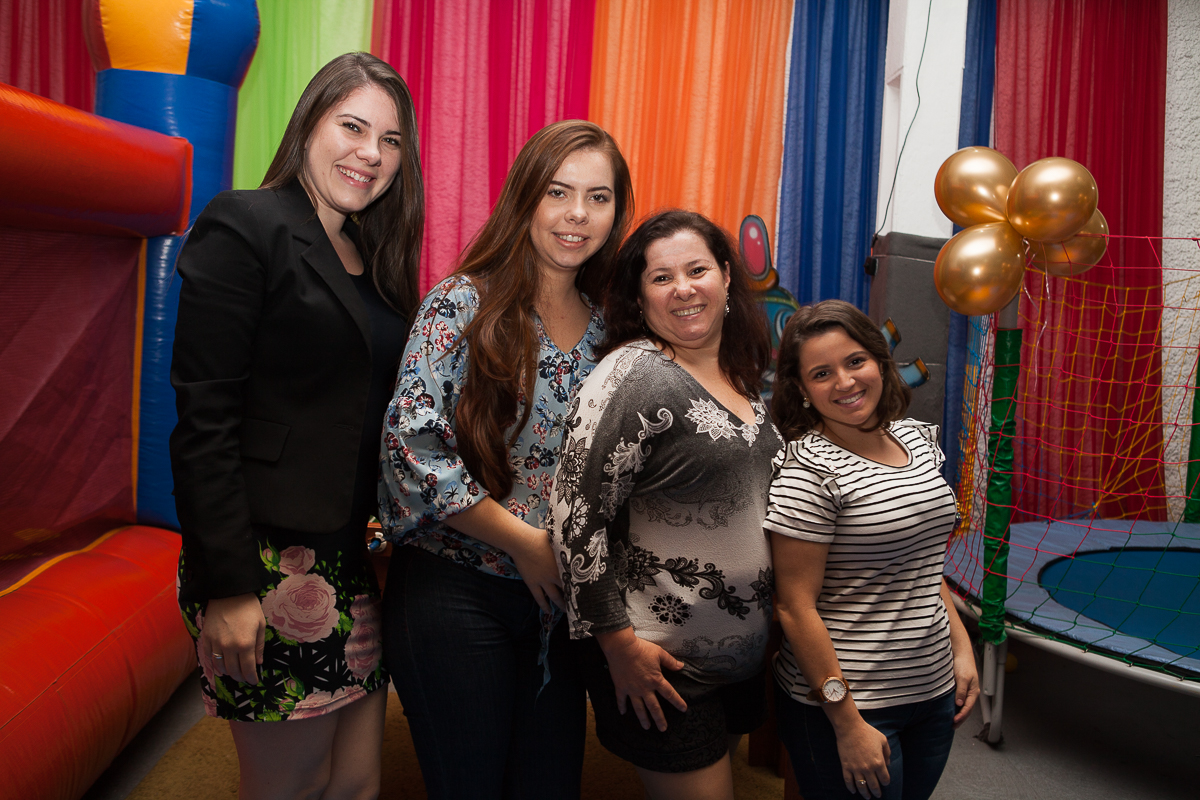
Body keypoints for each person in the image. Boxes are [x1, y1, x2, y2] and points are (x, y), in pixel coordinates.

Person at [170, 52, 423, 800]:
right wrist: (229, 589)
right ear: (309, 122)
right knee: (293, 784)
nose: (371, 153)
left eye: (391, 140)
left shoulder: (373, 254)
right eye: (352, 126)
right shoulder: (246, 223)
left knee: (355, 781)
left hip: (349, 559)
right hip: (264, 561)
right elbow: (204, 419)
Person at [377, 119, 634, 799]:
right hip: (455, 584)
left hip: (558, 604)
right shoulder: (462, 301)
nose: (577, 214)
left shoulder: (613, 328)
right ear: (525, 196)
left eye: (599, 197)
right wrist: (524, 543)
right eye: (559, 191)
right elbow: (411, 450)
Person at [547, 209, 780, 800]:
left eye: (697, 269)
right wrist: (617, 645)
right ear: (640, 296)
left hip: (742, 659)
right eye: (660, 278)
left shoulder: (742, 374)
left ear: (727, 277)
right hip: (661, 664)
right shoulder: (634, 375)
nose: (683, 289)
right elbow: (574, 519)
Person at [764, 300, 980, 800]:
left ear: (881, 363)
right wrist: (844, 720)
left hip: (932, 690)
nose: (844, 382)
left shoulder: (918, 440)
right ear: (801, 388)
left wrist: (962, 650)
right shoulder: (809, 473)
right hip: (852, 704)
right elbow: (793, 608)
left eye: (855, 361)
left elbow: (925, 567)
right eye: (822, 373)